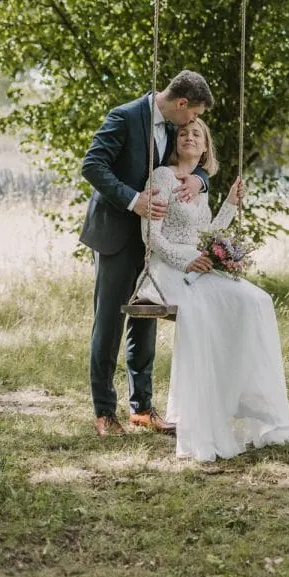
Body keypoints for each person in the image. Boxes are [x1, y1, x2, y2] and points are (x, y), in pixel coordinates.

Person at [135, 117, 289, 461]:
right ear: (175, 142)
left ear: (206, 147)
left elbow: (205, 234)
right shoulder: (161, 177)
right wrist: (186, 262)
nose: (189, 137)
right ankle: (202, 417)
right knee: (204, 311)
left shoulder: (198, 187)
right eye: (183, 133)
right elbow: (151, 236)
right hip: (166, 268)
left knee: (256, 300)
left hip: (196, 261)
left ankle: (245, 400)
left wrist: (230, 205)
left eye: (197, 134)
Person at [80, 70, 214, 438]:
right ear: (181, 103)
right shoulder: (124, 116)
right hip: (117, 235)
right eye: (193, 114)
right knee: (109, 323)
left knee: (146, 320)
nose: (193, 123)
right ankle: (105, 413)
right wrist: (133, 200)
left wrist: (200, 179)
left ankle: (142, 409)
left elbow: (196, 158)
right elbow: (92, 165)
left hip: (154, 240)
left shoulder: (173, 126)